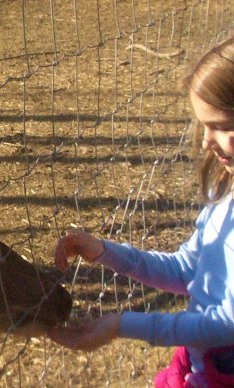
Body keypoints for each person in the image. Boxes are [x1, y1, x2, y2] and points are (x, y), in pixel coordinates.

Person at [44, 38, 234, 387]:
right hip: (202, 366)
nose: (206, 140)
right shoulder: (225, 196)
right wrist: (105, 252)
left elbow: (228, 324)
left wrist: (122, 325)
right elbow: (184, 269)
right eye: (203, 125)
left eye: (220, 126)